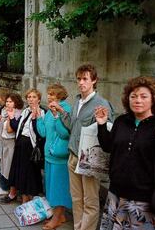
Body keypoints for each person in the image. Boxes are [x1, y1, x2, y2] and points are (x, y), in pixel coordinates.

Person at [96, 76, 155, 230]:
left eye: (144, 96)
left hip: (144, 200)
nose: (138, 100)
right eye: (133, 96)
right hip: (115, 194)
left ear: (153, 100)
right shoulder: (121, 121)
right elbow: (108, 147)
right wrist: (102, 126)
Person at [51, 64, 114, 230]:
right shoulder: (78, 100)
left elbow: (107, 134)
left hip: (89, 160)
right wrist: (59, 112)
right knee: (76, 199)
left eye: (85, 78)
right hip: (73, 156)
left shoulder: (102, 104)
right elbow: (72, 126)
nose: (81, 82)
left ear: (94, 80)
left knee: (90, 201)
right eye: (79, 79)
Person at [36, 84, 72, 230]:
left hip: (60, 156)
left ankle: (56, 219)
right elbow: (43, 133)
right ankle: (61, 216)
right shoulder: (50, 110)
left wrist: (57, 115)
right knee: (51, 188)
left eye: (52, 94)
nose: (49, 96)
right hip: (49, 155)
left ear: (60, 95)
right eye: (49, 94)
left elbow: (64, 133)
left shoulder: (66, 109)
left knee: (58, 189)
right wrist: (38, 118)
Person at [7, 89, 44, 203]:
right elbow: (17, 127)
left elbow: (40, 132)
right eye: (29, 97)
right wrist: (12, 117)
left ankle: (30, 199)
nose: (31, 99)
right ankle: (24, 198)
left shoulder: (41, 112)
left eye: (33, 97)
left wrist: (35, 119)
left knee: (30, 173)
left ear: (39, 99)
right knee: (21, 172)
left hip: (30, 146)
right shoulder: (25, 111)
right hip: (20, 145)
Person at [0, 93, 23, 199]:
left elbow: (10, 129)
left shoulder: (17, 113)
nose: (8, 103)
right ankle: (6, 188)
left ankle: (10, 190)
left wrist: (7, 119)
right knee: (4, 165)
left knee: (9, 166)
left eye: (11, 101)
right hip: (5, 141)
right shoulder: (7, 112)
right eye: (7, 101)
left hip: (11, 142)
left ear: (16, 102)